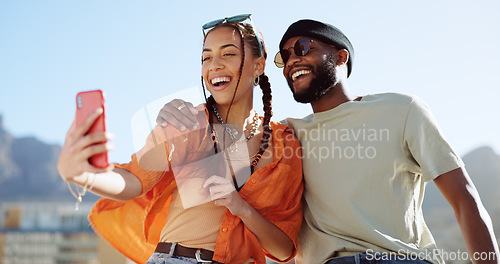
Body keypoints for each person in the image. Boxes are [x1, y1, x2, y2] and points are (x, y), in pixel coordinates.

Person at [157, 19, 499, 264]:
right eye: (284, 57)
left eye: (303, 48)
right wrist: (179, 112)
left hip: (401, 258)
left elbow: (465, 199)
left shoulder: (402, 109)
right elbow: (226, 127)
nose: (292, 61)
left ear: (340, 56)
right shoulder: (287, 135)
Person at [57, 14, 303, 264]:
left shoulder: (284, 145)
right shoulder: (186, 123)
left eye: (228, 54)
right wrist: (83, 174)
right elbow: (133, 180)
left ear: (259, 66)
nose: (213, 65)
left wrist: (241, 208)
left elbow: (284, 249)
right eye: (206, 57)